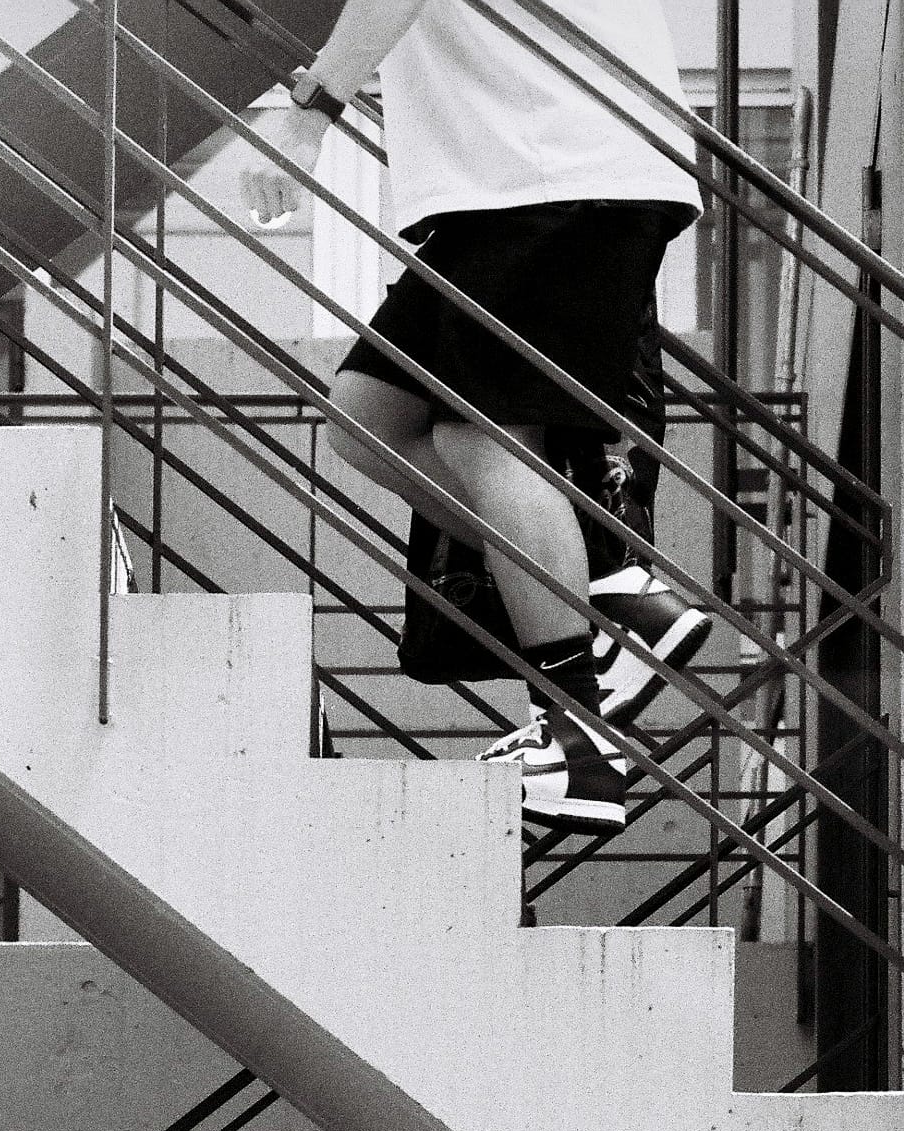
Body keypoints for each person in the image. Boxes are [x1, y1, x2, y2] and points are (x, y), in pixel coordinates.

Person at [242, 0, 708, 831]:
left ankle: (575, 736)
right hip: (534, 177)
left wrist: (308, 113)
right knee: (365, 415)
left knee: (479, 432)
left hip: (553, 173)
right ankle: (606, 593)